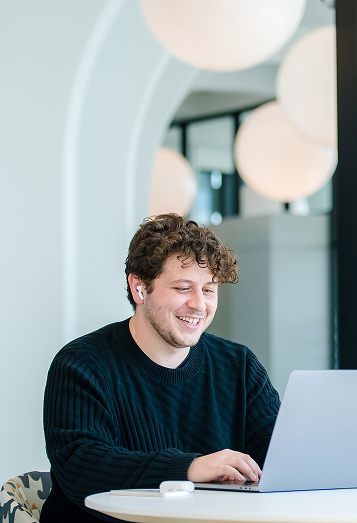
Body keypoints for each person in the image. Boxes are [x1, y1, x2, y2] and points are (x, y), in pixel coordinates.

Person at [41, 213, 281, 522]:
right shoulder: (81, 364)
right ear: (140, 288)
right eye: (183, 288)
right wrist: (189, 469)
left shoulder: (240, 366)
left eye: (209, 289)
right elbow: (81, 465)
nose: (199, 304)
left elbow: (278, 459)